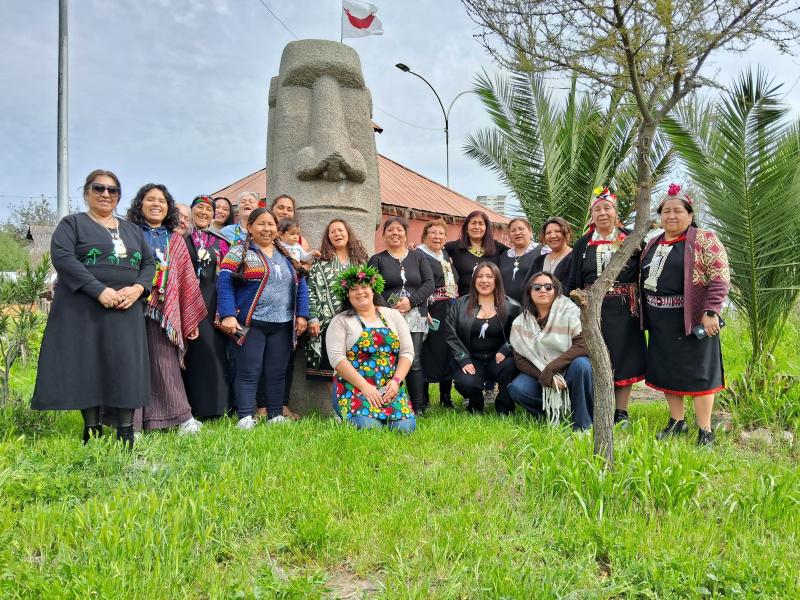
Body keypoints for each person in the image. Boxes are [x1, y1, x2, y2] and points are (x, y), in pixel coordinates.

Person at [31, 169, 155, 449]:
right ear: (87, 192)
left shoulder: (133, 230)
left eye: (112, 190)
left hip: (126, 308)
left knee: (126, 366)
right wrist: (98, 290)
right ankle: (92, 428)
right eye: (99, 188)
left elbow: (148, 264)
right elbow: (63, 258)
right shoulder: (72, 224)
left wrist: (137, 289)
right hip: (85, 307)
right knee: (89, 365)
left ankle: (125, 432)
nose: (105, 194)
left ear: (119, 196)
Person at [642, 184, 730, 446]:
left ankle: (705, 430)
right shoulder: (653, 243)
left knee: (699, 372)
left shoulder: (704, 239)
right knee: (668, 370)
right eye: (666, 211)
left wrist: (711, 311)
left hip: (693, 318)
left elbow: (720, 277)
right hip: (660, 320)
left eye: (677, 211)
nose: (671, 216)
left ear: (690, 215)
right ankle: (677, 421)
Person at [217, 208, 309, 428]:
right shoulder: (239, 252)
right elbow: (224, 283)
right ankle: (246, 417)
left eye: (271, 224)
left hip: (282, 324)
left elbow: (301, 284)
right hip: (250, 322)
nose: (267, 229)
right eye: (261, 224)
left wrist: (302, 314)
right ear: (250, 227)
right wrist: (228, 315)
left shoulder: (286, 254)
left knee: (276, 372)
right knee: (248, 370)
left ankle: (275, 415)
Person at [126, 184, 207, 434]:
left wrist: (189, 321)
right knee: (132, 365)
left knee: (166, 364)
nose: (156, 204)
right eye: (150, 200)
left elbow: (186, 281)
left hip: (165, 311)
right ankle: (133, 426)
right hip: (130, 308)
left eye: (161, 201)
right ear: (140, 204)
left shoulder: (176, 240)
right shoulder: (128, 235)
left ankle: (182, 419)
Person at [564, 187, 646, 426]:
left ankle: (621, 412)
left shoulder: (632, 239)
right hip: (592, 311)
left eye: (607, 208)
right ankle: (599, 405)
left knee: (624, 357)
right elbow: (573, 279)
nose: (602, 213)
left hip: (624, 310)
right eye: (597, 209)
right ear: (591, 214)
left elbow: (643, 273)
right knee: (595, 357)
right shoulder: (582, 244)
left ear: (615, 211)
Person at [326, 264, 416, 432]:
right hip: (354, 387)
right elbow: (337, 359)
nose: (360, 292)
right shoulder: (340, 321)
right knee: (370, 429)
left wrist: (396, 382)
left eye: (364, 287)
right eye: (354, 289)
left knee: (406, 429)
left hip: (389, 387)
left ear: (373, 289)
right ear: (347, 295)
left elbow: (407, 352)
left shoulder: (392, 315)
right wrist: (365, 387)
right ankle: (349, 417)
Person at [508, 272, 593, 431]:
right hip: (542, 372)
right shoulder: (521, 323)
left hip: (570, 369)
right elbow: (519, 358)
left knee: (583, 365)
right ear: (529, 292)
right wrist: (544, 375)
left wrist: (551, 369)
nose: (543, 290)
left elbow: (583, 345)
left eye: (548, 287)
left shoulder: (570, 311)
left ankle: (582, 425)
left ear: (555, 290)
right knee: (517, 388)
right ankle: (553, 414)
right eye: (537, 287)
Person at [368, 217, 435, 414]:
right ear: (384, 235)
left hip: (416, 315)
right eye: (390, 230)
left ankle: (418, 407)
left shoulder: (418, 257)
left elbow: (429, 283)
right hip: (387, 316)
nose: (395, 233)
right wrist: (391, 306)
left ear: (406, 235)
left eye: (399, 230)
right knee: (389, 359)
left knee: (413, 359)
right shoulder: (377, 259)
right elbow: (371, 287)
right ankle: (388, 403)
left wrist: (411, 301)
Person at [445, 262, 521, 414]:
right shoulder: (460, 305)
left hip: (498, 360)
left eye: (489, 277)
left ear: (496, 280)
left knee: (511, 365)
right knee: (465, 382)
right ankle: (475, 404)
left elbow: (520, 334)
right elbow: (450, 334)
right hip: (472, 360)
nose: (484, 280)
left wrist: (506, 349)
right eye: (479, 276)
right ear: (474, 280)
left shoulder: (512, 306)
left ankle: (505, 406)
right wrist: (463, 359)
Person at [182, 195, 231, 420]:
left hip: (214, 303)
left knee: (216, 352)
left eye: (208, 209)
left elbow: (231, 272)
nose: (203, 212)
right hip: (188, 302)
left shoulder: (221, 241)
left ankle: (219, 407)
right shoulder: (181, 240)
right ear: (191, 211)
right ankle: (191, 408)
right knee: (192, 355)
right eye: (199, 208)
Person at [306, 219, 369, 380]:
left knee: (357, 364)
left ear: (348, 233)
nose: (337, 234)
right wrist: (312, 318)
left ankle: (354, 402)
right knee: (330, 367)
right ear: (328, 237)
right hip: (327, 321)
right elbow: (311, 290)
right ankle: (337, 406)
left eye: (341, 230)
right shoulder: (320, 263)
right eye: (332, 231)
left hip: (357, 320)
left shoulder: (360, 262)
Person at [417, 219, 459, 408]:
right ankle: (423, 398)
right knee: (427, 351)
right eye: (433, 233)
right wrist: (423, 309)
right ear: (425, 236)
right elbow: (417, 285)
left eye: (441, 234)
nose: (437, 237)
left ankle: (445, 397)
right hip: (431, 310)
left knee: (447, 350)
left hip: (450, 309)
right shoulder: (418, 255)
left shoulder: (445, 254)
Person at [445, 210, 509, 296]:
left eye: (481, 223)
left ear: (486, 228)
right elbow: (434, 254)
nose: (477, 227)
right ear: (466, 227)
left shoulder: (497, 247)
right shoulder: (454, 247)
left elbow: (518, 255)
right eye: (473, 223)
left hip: (491, 301)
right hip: (464, 301)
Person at [498, 217, 541, 303]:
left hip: (533, 306)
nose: (517, 233)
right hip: (507, 307)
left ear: (530, 231)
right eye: (513, 231)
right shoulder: (504, 255)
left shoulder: (543, 251)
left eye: (521, 229)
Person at [527, 217, 574, 284]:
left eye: (558, 231)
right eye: (548, 233)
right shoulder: (539, 261)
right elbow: (528, 286)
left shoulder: (575, 257)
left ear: (567, 234)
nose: (552, 236)